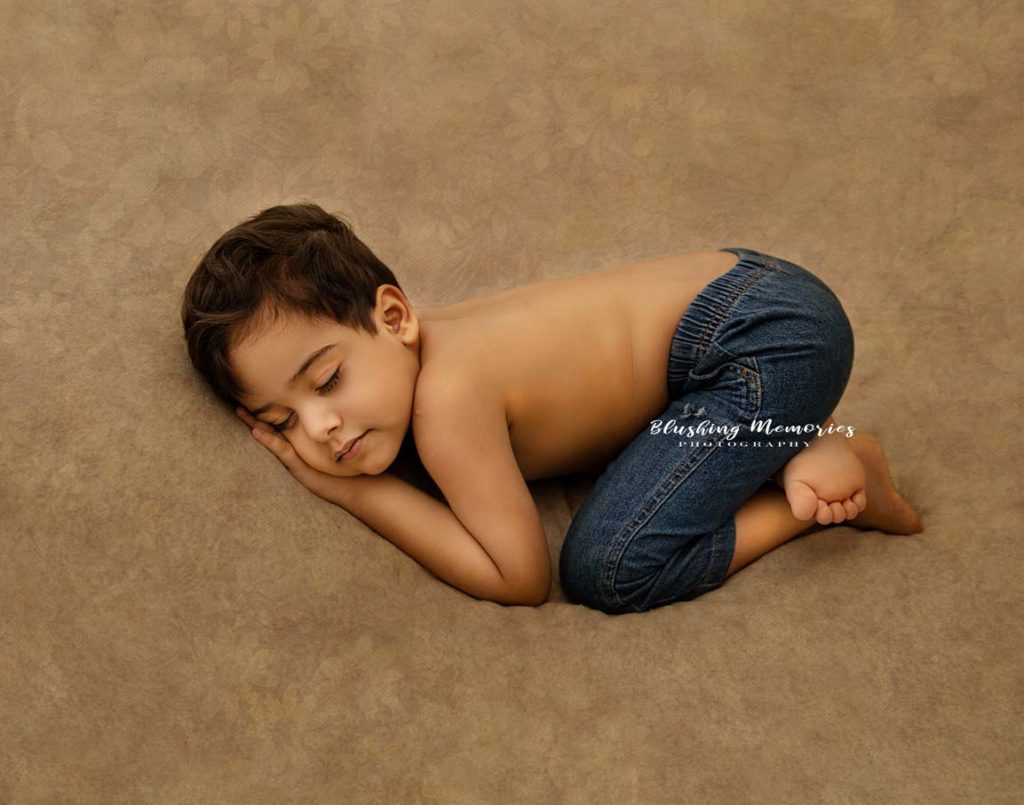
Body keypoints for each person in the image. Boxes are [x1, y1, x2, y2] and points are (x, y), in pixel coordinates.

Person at [180, 202, 923, 613]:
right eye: (281, 422)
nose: (317, 429)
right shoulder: (412, 350)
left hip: (767, 342)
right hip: (746, 289)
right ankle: (788, 437)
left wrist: (348, 487)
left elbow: (517, 576)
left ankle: (834, 472)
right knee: (646, 459)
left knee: (609, 565)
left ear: (396, 316)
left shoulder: (445, 399)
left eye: (327, 380)